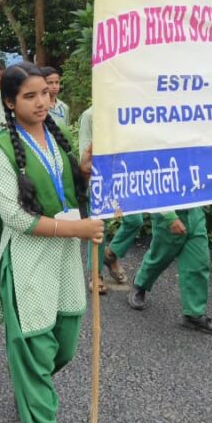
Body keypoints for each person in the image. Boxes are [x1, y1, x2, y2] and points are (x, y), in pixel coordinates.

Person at [0, 63, 103, 423]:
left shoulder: (57, 138)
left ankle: (29, 384)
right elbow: (16, 217)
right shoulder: (1, 151)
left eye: (46, 94)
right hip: (27, 263)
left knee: (63, 345)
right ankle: (40, 422)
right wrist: (77, 229)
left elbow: (67, 193)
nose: (41, 102)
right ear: (9, 102)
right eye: (30, 96)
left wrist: (84, 172)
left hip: (64, 261)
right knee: (36, 353)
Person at [126, 208, 212, 335]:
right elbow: (156, 194)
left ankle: (193, 314)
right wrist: (170, 217)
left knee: (198, 262)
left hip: (194, 213)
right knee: (160, 256)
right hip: (167, 215)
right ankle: (140, 283)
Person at [77, 106, 141, 290]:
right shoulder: (90, 115)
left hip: (123, 178)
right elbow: (84, 151)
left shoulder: (126, 112)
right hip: (100, 179)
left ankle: (111, 254)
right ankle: (95, 274)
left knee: (135, 221)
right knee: (99, 227)